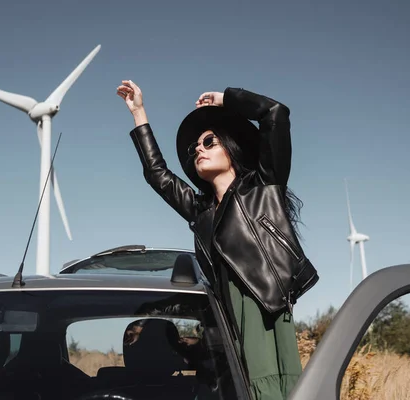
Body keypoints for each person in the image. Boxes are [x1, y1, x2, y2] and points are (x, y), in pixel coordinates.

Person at [117, 80, 318, 400]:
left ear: (231, 147)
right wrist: (139, 113)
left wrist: (228, 100)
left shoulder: (264, 187)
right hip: (226, 323)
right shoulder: (202, 211)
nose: (199, 148)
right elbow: (158, 174)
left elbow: (275, 113)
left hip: (264, 310)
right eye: (194, 147)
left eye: (209, 141)